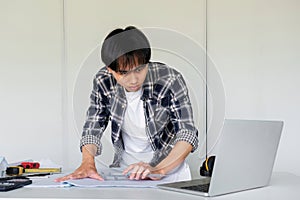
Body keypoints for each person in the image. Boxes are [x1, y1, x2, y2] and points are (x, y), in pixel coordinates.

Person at [56, 26, 198, 182]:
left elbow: (187, 133)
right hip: (126, 172)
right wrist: (87, 163)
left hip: (168, 171)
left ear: (147, 62)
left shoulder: (170, 79)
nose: (133, 80)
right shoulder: (103, 81)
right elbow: (93, 126)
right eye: (124, 73)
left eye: (139, 69)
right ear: (110, 69)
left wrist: (158, 170)